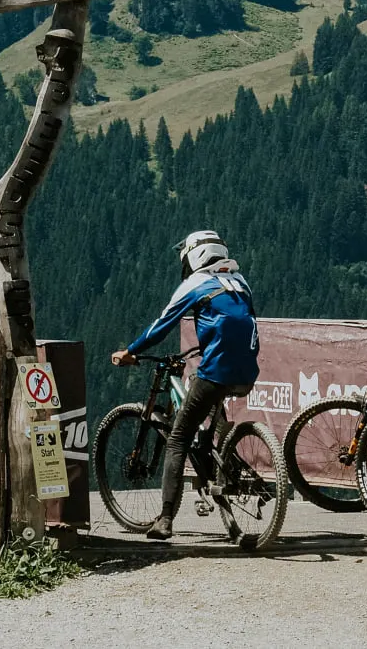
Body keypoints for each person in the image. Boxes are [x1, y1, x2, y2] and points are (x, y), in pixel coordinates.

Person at [112, 229, 260, 541]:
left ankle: (165, 519)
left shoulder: (194, 284)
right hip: (247, 372)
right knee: (208, 410)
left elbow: (161, 325)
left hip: (216, 370)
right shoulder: (240, 282)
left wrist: (131, 351)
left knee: (178, 437)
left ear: (193, 258)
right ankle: (222, 463)